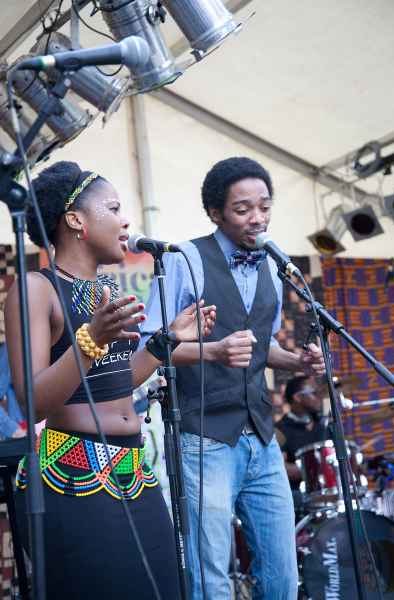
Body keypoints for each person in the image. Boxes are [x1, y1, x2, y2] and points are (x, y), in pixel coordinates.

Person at [5, 161, 216, 600]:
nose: (125, 222)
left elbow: (116, 385)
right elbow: (33, 401)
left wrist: (166, 342)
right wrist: (91, 339)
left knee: (166, 589)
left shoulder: (108, 291)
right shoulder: (35, 288)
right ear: (75, 220)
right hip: (71, 476)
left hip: (134, 472)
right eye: (114, 208)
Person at [138, 156, 325, 600]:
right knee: (211, 575)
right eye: (243, 209)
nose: (257, 217)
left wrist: (297, 362)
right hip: (204, 437)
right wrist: (215, 350)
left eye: (264, 206)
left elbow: (261, 344)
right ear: (216, 213)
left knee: (282, 572)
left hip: (261, 435)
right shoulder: (184, 259)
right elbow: (152, 346)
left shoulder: (273, 266)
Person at [275, 375, 327, 490]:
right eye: (314, 393)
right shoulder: (280, 429)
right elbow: (279, 467)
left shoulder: (324, 424)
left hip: (329, 488)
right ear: (298, 397)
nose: (319, 397)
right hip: (300, 493)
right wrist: (314, 470)